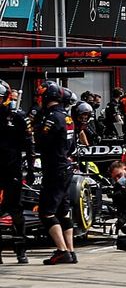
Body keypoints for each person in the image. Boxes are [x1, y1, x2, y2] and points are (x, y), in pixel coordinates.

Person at [33, 83, 77, 265]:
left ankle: (62, 251)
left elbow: (41, 142)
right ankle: (71, 251)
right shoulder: (68, 118)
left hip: (55, 168)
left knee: (46, 212)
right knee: (63, 212)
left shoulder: (51, 119)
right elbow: (72, 146)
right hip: (66, 167)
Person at [0, 80, 33, 264]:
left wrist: (29, 169)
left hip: (12, 168)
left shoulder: (18, 116)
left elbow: (29, 145)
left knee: (15, 210)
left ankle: (21, 250)